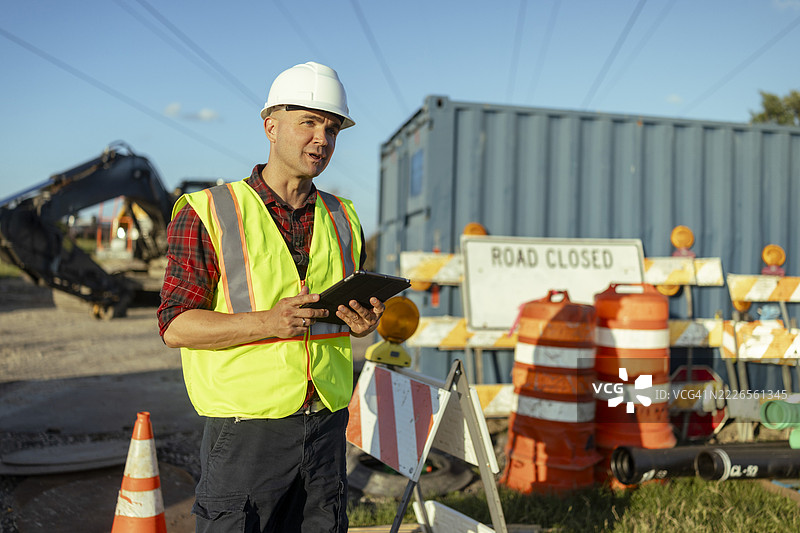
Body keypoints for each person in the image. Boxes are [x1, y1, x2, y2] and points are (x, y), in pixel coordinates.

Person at [157, 61, 384, 533]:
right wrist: (267, 323)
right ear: (271, 127)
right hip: (245, 433)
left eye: (332, 127)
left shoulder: (345, 217)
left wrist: (360, 323)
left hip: (325, 423)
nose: (321, 139)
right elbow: (176, 326)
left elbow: (332, 317)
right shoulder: (210, 211)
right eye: (308, 123)